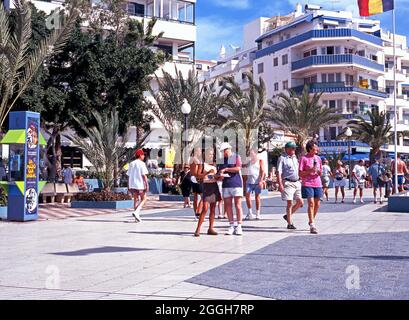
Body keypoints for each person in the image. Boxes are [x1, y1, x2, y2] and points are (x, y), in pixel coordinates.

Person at [217, 142, 244, 236]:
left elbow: (238, 168)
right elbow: (220, 172)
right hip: (226, 184)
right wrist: (219, 176)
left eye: (223, 151)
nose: (223, 153)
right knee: (228, 205)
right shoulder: (221, 160)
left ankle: (239, 226)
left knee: (238, 205)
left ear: (228, 149)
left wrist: (227, 169)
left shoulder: (236, 157)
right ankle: (231, 225)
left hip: (236, 184)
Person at [194, 148, 222, 237]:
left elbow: (215, 176)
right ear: (205, 155)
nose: (211, 156)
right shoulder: (203, 164)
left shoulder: (214, 164)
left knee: (213, 208)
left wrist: (219, 177)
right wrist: (207, 173)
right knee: (205, 208)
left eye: (212, 154)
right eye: (209, 154)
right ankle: (198, 229)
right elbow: (198, 176)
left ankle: (210, 228)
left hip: (214, 186)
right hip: (206, 186)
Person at [277, 142, 304, 230]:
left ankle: (287, 216)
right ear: (287, 149)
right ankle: (290, 223)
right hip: (288, 183)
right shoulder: (282, 158)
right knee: (290, 203)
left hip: (297, 182)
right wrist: (280, 184)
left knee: (300, 202)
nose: (294, 150)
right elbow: (279, 172)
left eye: (294, 148)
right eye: (292, 148)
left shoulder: (295, 157)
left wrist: (300, 179)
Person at [299, 140, 322, 235]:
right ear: (309, 149)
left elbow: (320, 171)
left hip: (317, 183)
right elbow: (300, 173)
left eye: (316, 148)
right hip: (307, 183)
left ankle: (311, 219)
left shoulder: (318, 158)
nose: (316, 150)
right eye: (314, 148)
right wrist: (310, 170)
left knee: (318, 204)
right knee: (311, 203)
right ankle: (312, 224)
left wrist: (319, 172)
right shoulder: (304, 158)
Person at [127, 149, 149, 223]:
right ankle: (137, 212)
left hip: (132, 184)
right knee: (144, 198)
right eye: (143, 155)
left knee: (135, 199)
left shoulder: (131, 163)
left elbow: (129, 175)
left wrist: (128, 185)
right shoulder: (142, 164)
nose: (144, 156)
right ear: (140, 155)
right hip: (140, 184)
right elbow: (144, 175)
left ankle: (137, 217)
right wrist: (147, 184)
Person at [244, 149, 265, 220]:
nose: (251, 155)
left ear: (255, 154)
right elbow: (244, 166)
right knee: (247, 196)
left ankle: (257, 213)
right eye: (250, 154)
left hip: (257, 182)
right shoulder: (249, 162)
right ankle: (250, 212)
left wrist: (261, 181)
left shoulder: (260, 161)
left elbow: (262, 172)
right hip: (249, 182)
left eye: (252, 154)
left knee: (257, 197)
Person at [190, 147, 204, 220]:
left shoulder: (191, 159)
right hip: (197, 179)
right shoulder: (197, 160)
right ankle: (198, 212)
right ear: (196, 151)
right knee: (203, 196)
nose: (200, 152)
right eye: (199, 151)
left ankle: (196, 214)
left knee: (195, 197)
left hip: (192, 179)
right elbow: (197, 172)